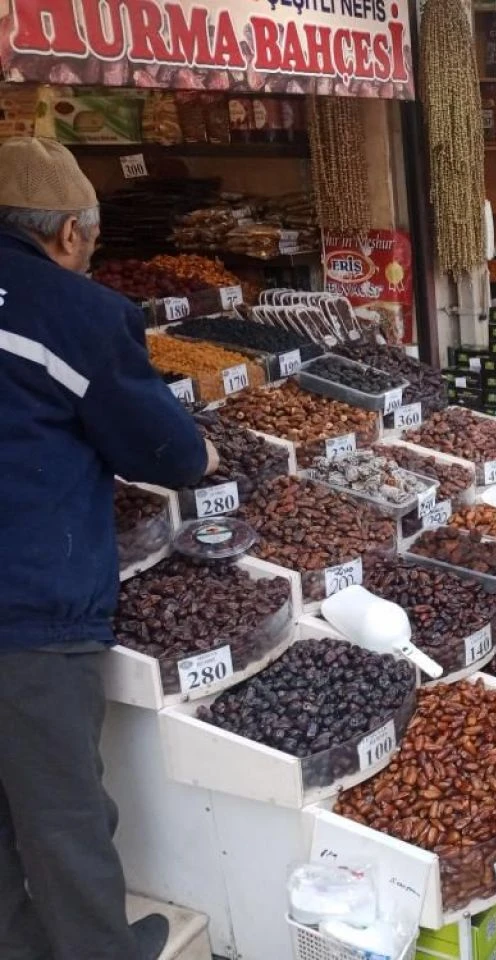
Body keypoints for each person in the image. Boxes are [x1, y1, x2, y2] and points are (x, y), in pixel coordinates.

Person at [0, 137, 219, 960]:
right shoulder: (75, 312)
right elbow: (157, 449)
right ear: (66, 233)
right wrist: (204, 455)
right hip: (26, 605)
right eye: (91, 239)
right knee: (63, 814)